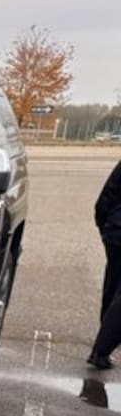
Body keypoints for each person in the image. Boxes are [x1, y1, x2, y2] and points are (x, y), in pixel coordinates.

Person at [89, 158, 121, 369]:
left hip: (115, 232)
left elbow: (106, 197)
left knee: (113, 283)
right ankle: (102, 348)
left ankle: (104, 338)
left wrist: (104, 225)